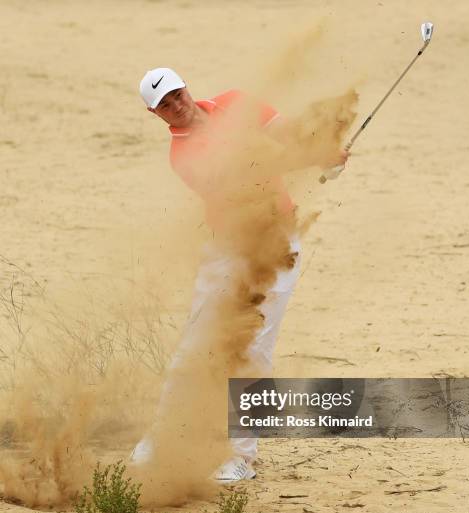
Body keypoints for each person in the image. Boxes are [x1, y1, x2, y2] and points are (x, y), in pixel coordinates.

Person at [131, 67, 349, 482]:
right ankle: (160, 435)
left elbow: (288, 136)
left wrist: (326, 152)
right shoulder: (183, 155)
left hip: (278, 245)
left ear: (185, 87)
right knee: (194, 343)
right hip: (227, 249)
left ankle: (242, 456)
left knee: (254, 351)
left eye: (177, 94)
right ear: (154, 114)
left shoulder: (236, 102)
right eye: (165, 104)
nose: (176, 105)